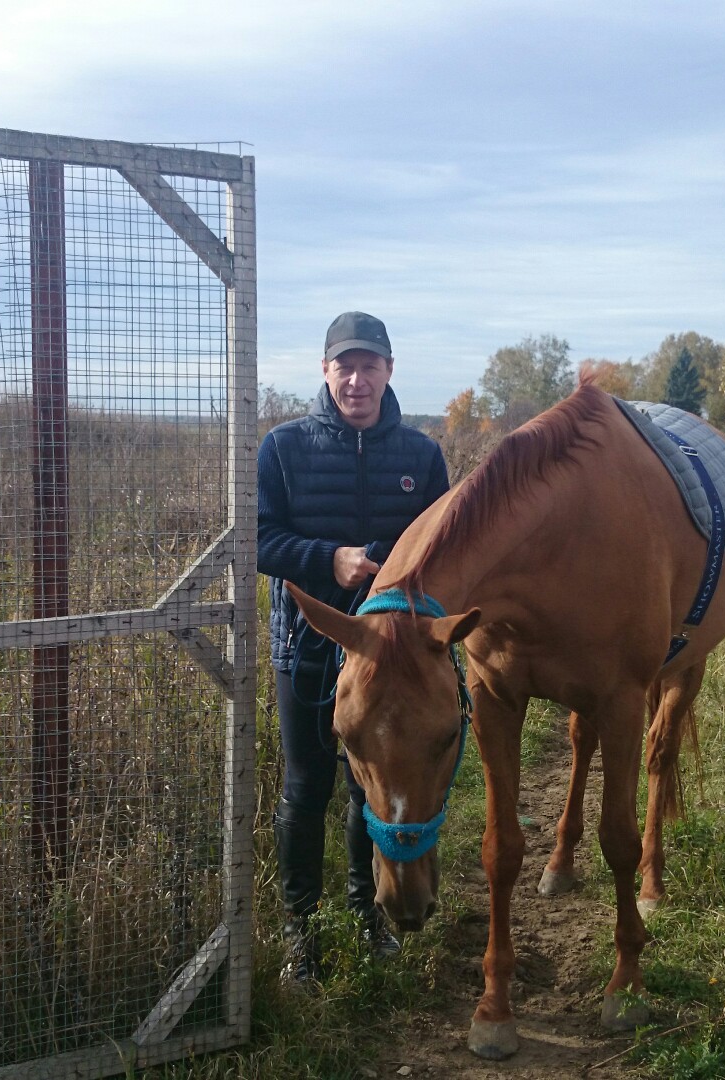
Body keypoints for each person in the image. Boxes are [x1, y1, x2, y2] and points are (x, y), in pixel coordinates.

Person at [257, 310, 451, 988]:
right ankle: (299, 936)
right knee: (308, 786)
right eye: (345, 364)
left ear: (390, 371)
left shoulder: (422, 457)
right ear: (325, 370)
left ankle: (366, 914)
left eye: (370, 365)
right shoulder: (282, 449)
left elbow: (444, 551)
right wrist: (326, 558)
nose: (357, 378)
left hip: (391, 660)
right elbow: (259, 541)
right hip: (308, 645)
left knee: (371, 784)